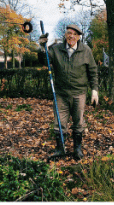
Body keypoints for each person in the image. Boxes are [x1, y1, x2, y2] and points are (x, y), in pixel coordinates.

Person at [37, 23, 98, 160]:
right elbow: (44, 61)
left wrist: (94, 90)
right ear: (65, 34)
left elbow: (93, 71)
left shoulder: (86, 50)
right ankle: (60, 149)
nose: (71, 36)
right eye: (69, 33)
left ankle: (77, 149)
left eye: (74, 34)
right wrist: (42, 47)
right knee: (59, 123)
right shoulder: (56, 49)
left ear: (78, 37)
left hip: (79, 92)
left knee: (78, 122)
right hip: (61, 93)